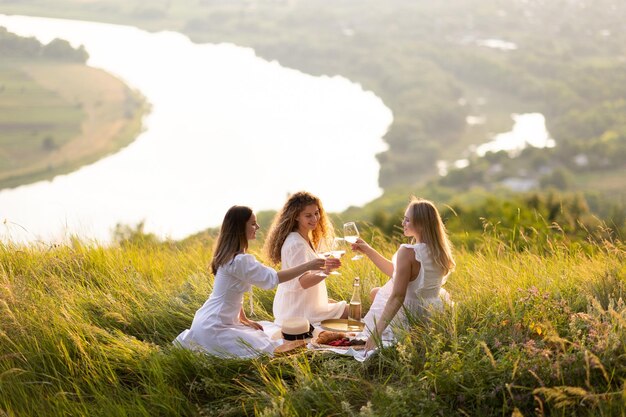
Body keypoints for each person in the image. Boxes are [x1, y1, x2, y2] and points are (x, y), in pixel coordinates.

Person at [174, 205, 339, 358]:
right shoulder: (239, 260)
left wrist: (244, 319)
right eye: (253, 224)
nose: (258, 227)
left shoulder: (228, 256)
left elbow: (231, 293)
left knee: (267, 330)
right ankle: (319, 343)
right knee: (269, 348)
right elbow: (273, 279)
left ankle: (319, 340)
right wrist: (308, 266)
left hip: (208, 320)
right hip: (215, 327)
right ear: (240, 227)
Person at [351, 197, 455, 352]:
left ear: (420, 224)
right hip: (431, 313)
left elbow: (398, 296)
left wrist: (375, 334)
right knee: (376, 293)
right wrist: (368, 250)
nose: (402, 224)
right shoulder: (440, 251)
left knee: (378, 297)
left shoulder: (408, 251)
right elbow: (397, 273)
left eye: (407, 220)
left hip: (410, 315)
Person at [264, 191, 348, 325]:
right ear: (296, 216)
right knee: (355, 310)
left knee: (345, 307)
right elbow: (304, 282)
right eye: (308, 215)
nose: (314, 219)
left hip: (302, 305)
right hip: (299, 311)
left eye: (316, 213)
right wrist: (327, 271)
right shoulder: (296, 243)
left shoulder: (303, 237)